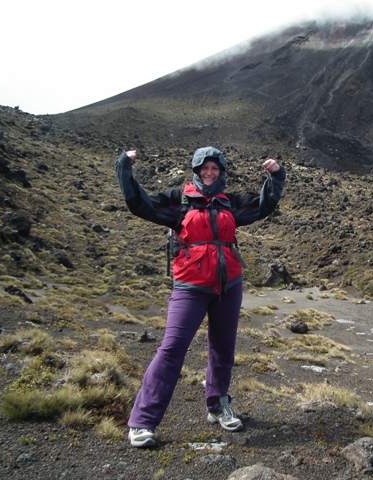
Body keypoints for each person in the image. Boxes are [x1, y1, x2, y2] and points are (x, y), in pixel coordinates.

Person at [115, 146, 285, 448]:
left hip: (228, 286)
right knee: (171, 349)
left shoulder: (229, 203)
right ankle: (142, 421)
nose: (210, 173)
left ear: (221, 172)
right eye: (204, 168)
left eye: (215, 169)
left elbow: (263, 206)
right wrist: (124, 168)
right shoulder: (177, 200)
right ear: (196, 170)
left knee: (223, 349)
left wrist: (276, 176)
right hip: (189, 287)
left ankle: (218, 406)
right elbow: (139, 204)